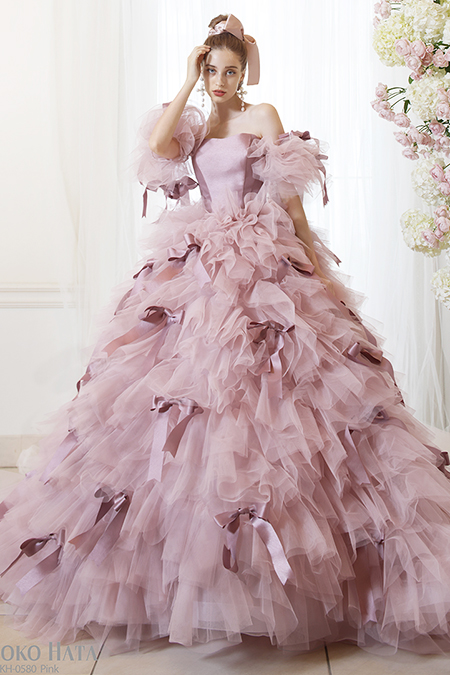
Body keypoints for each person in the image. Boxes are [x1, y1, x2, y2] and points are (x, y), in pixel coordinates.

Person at [1, 11, 450, 658]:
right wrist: (187, 82)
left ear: (245, 73)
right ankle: (192, 580)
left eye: (229, 71)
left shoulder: (261, 115)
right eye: (211, 69)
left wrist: (318, 270)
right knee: (187, 396)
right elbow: (158, 149)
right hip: (199, 263)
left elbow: (291, 204)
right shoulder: (191, 124)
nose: (220, 80)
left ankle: (294, 572)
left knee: (275, 398)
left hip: (261, 260)